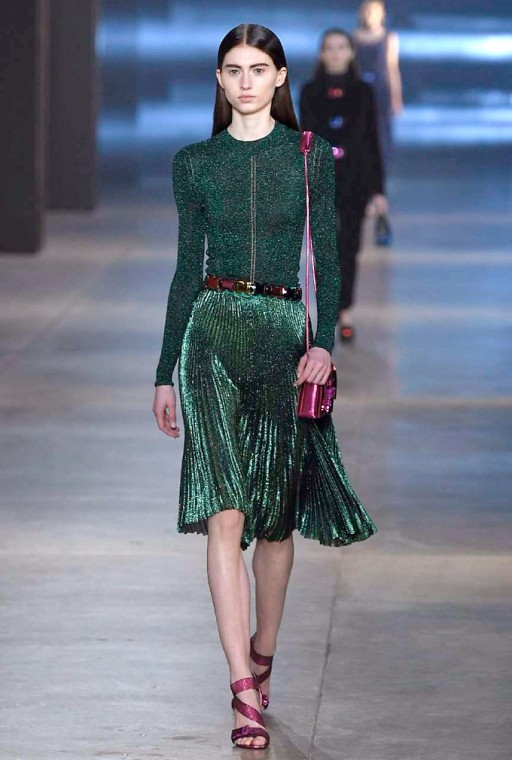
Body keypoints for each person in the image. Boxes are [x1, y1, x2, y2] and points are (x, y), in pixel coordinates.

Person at [152, 23, 377, 750]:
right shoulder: (195, 163)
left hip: (284, 336)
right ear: (219, 80)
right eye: (232, 70)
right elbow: (185, 270)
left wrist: (324, 344)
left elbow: (329, 257)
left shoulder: (308, 157)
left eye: (257, 69)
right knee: (226, 514)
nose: (245, 81)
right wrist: (164, 370)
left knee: (275, 522)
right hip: (212, 335)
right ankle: (241, 687)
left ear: (280, 78)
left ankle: (264, 650)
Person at [300, 28, 386, 343]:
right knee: (325, 251)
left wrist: (378, 191)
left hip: (356, 179)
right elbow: (305, 139)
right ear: (321, 54)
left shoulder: (363, 92)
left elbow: (372, 141)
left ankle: (345, 311)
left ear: (351, 53)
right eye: (329, 48)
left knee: (349, 248)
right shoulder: (310, 91)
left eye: (341, 47)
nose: (336, 53)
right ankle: (327, 315)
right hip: (322, 178)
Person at [353, 0, 403, 175]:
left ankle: (381, 166)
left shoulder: (389, 37)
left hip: (381, 88)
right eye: (366, 12)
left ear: (381, 14)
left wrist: (396, 97)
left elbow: (392, 68)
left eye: (373, 12)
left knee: (382, 128)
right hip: (359, 88)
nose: (369, 16)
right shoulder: (354, 37)